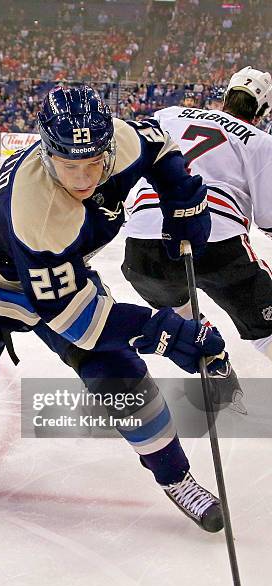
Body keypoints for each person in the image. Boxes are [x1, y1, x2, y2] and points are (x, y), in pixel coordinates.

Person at [0, 85, 227, 532]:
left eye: (94, 162)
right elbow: (78, 321)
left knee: (118, 370)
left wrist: (184, 198)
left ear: (107, 146)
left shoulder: (118, 141)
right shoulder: (38, 210)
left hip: (58, 274)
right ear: (45, 152)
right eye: (70, 166)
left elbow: (160, 145)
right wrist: (163, 330)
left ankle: (176, 475)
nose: (84, 179)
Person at [122, 66, 272, 366]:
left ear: (227, 95)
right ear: (263, 110)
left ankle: (212, 358)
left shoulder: (168, 114)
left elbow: (130, 150)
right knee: (266, 328)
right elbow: (268, 221)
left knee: (183, 318)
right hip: (216, 241)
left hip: (142, 246)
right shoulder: (259, 141)